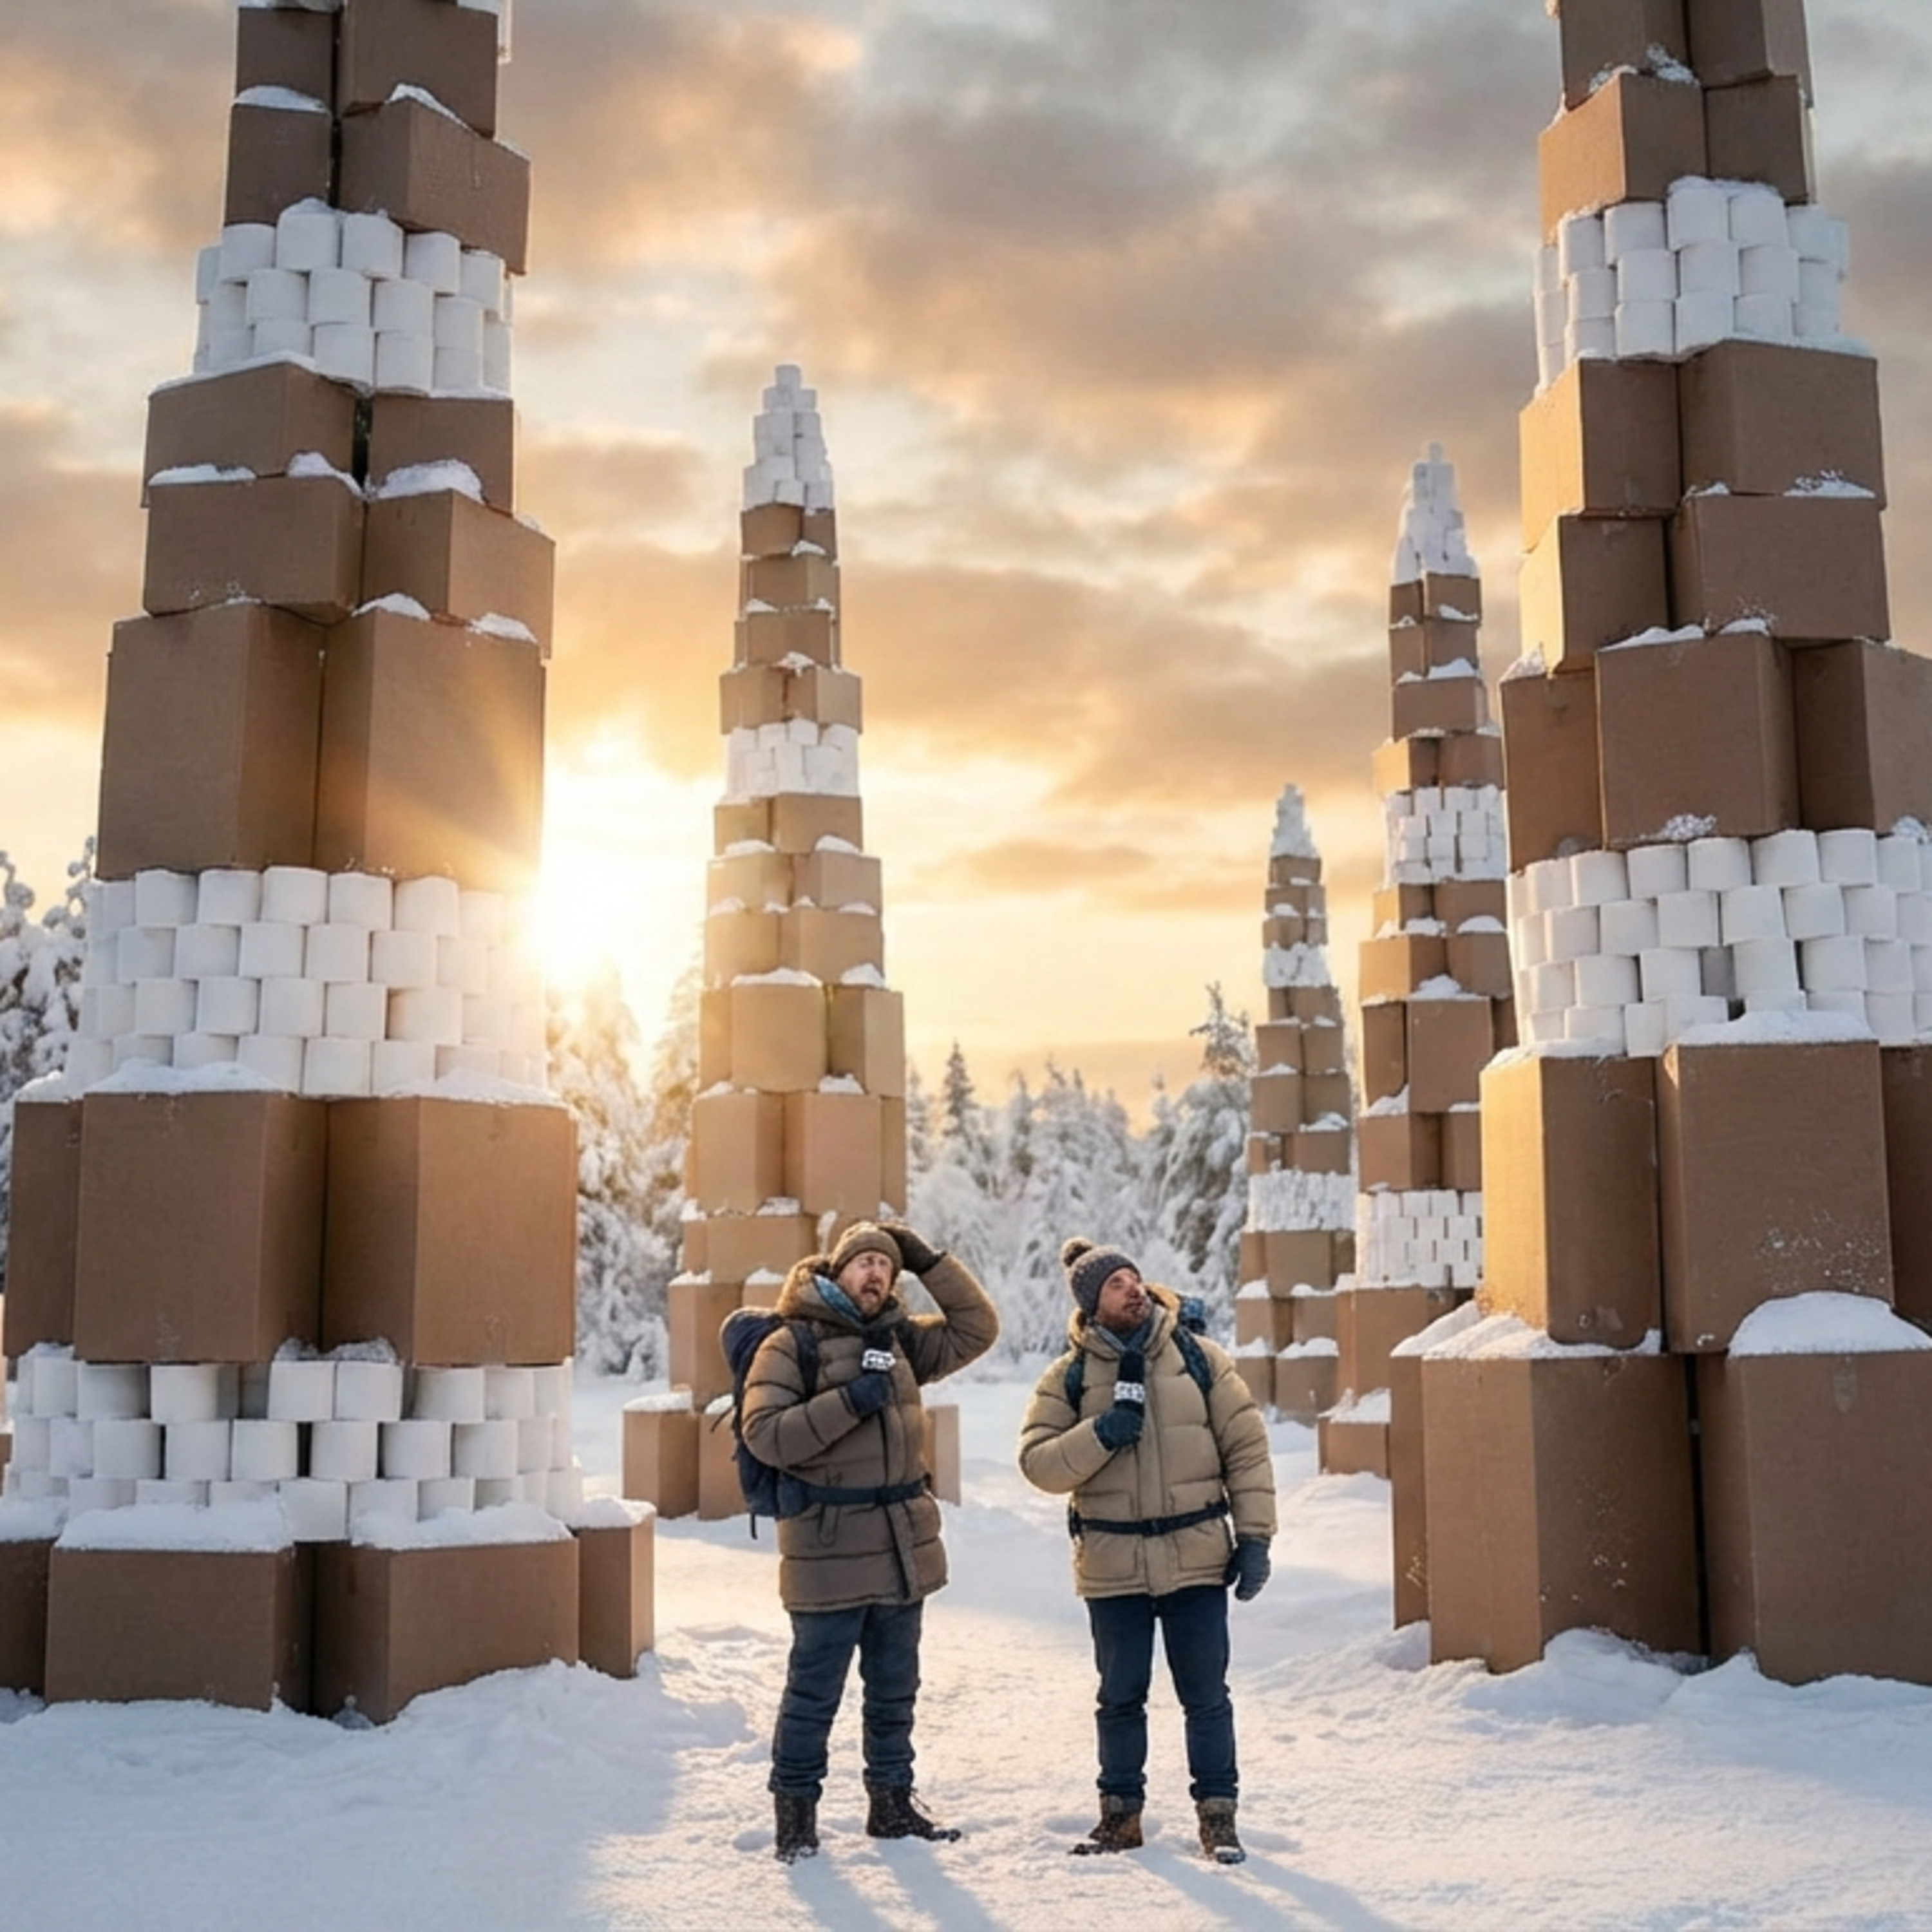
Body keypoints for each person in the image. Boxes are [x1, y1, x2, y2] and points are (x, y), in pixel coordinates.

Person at [739, 1218, 999, 1863]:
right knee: (813, 1695)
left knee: (894, 1692)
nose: (876, 1273)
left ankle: (891, 1805)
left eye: (887, 1265)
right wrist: (852, 1400)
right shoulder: (791, 1342)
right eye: (865, 1262)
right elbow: (765, 1434)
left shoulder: (901, 1341)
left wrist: (929, 1261)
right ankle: (796, 1822)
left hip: (900, 1551)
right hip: (826, 1550)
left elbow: (978, 1329)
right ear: (837, 1270)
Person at [1018, 1237, 1276, 1864]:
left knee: (1206, 1697)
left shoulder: (1199, 1358)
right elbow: (1038, 1463)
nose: (1132, 1289)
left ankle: (1219, 1820)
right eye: (1115, 1284)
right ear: (1091, 1303)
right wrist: (1102, 1433)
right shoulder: (1069, 1376)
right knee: (1119, 1699)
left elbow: (1246, 1449)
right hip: (1114, 1567)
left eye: (1134, 1278)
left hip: (1197, 1558)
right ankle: (1120, 1818)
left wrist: (1256, 1537)